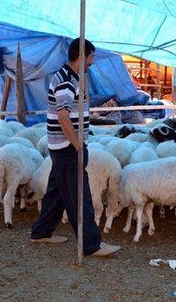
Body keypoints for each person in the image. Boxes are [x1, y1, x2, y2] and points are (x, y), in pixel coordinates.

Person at [30, 38, 120, 257]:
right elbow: (63, 116)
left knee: (57, 191)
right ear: (81, 55)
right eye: (90, 57)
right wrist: (77, 144)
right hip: (67, 147)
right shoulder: (66, 81)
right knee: (80, 195)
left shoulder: (72, 77)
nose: (92, 62)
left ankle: (41, 231)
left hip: (62, 146)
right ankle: (91, 244)